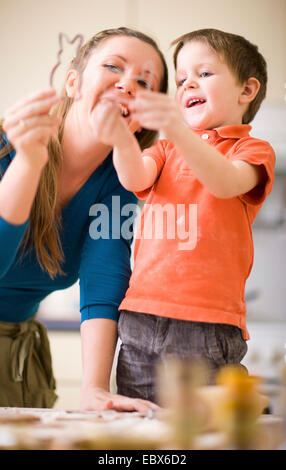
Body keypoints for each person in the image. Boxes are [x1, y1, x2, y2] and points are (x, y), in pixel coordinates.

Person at [94, 28, 276, 403]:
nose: (188, 83)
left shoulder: (253, 150)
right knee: (138, 430)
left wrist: (177, 129)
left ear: (246, 91)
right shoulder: (165, 149)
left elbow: (226, 182)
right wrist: (121, 140)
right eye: (181, 79)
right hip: (140, 318)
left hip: (207, 325)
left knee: (203, 435)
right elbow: (134, 177)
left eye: (204, 74)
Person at [0, 26, 168, 410]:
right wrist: (28, 164)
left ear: (142, 119)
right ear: (73, 82)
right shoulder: (7, 146)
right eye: (113, 67)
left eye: (145, 82)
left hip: (17, 356)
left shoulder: (120, 186)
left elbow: (104, 280)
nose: (128, 84)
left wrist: (94, 388)